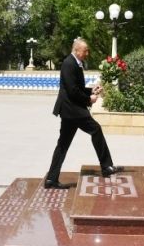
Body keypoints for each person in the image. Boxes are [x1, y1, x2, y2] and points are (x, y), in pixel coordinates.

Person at [44, 38, 123, 189]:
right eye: (85, 50)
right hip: (73, 110)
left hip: (70, 110)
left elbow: (77, 88)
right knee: (95, 129)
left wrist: (91, 90)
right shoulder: (69, 64)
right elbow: (72, 91)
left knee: (63, 144)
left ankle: (51, 179)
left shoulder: (75, 63)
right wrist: (89, 99)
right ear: (77, 50)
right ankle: (106, 167)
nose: (87, 53)